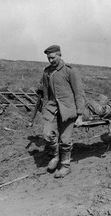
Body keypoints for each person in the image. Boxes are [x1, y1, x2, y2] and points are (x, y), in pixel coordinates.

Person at [37, 45, 84, 178]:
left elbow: (78, 93)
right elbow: (46, 93)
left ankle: (65, 166)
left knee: (65, 140)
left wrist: (79, 115)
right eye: (48, 58)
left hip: (68, 110)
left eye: (52, 57)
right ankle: (56, 156)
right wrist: (45, 109)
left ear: (60, 55)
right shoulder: (46, 72)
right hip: (52, 109)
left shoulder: (70, 71)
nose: (50, 60)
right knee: (47, 134)